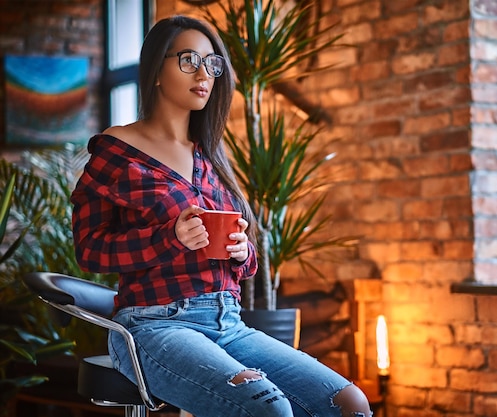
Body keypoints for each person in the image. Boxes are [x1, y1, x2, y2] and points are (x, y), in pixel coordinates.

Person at [71, 15, 372, 417]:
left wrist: (240, 251)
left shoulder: (209, 155)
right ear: (156, 69)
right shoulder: (117, 149)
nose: (204, 74)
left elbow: (245, 268)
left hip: (229, 323)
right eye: (189, 60)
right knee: (267, 408)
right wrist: (170, 238)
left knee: (349, 403)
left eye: (212, 64)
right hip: (154, 327)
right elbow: (90, 252)